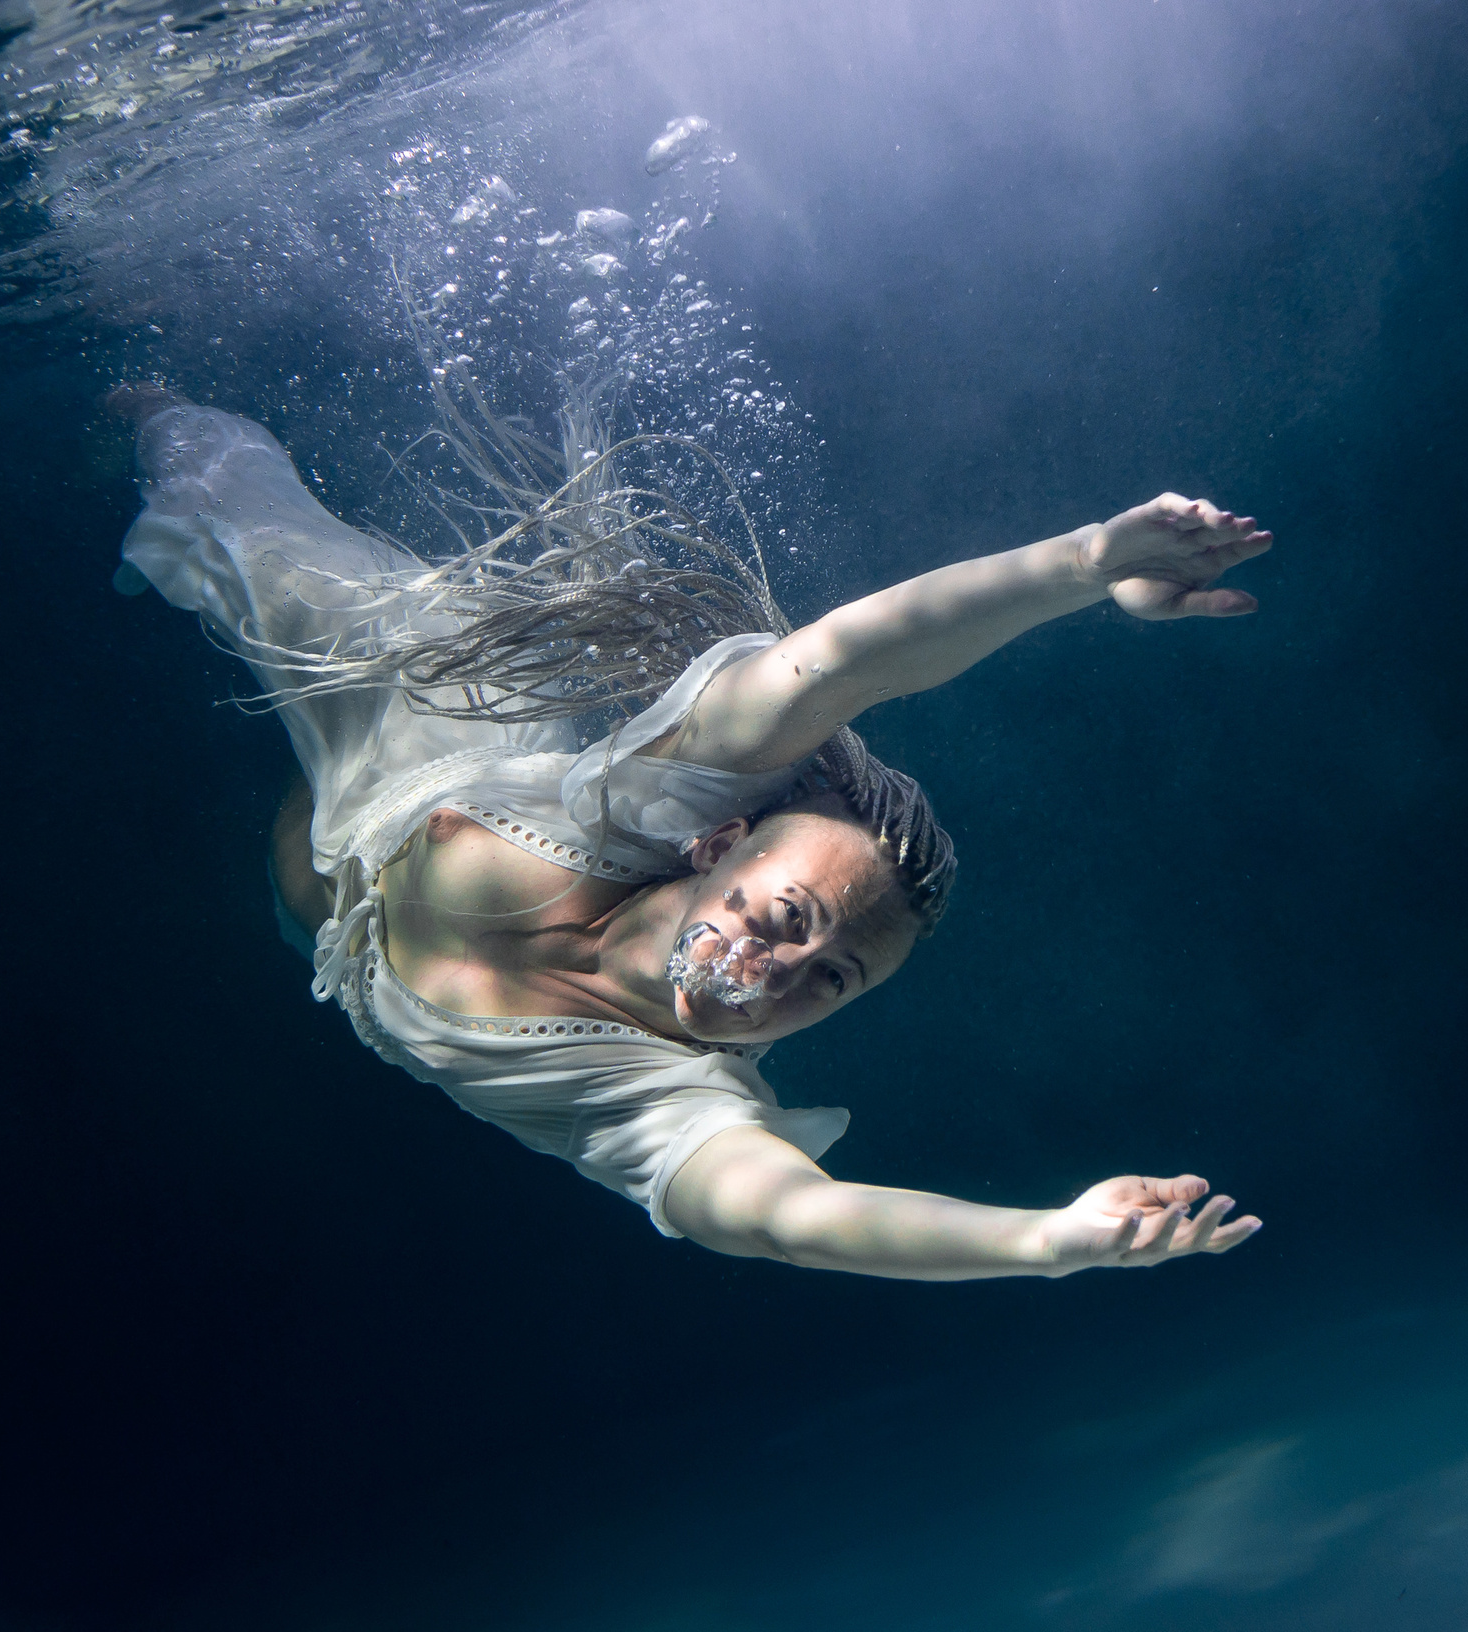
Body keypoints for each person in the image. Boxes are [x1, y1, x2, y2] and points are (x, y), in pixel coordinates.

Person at [109, 386, 1271, 1282]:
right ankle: (143, 392)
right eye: (791, 917)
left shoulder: (668, 1099)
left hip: (320, 912)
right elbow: (845, 659)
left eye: (831, 982)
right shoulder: (651, 804)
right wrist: (1086, 564)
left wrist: (1049, 1240)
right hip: (419, 702)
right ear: (718, 847)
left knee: (269, 854)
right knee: (243, 517)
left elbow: (788, 1213)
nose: (780, 976)